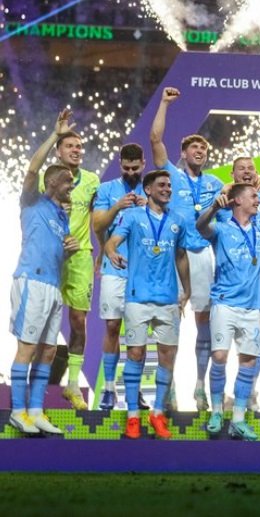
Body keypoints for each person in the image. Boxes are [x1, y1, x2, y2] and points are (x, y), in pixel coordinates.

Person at [197, 183, 260, 440]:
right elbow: (200, 227)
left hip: (252, 307)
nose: (258, 200)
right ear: (237, 201)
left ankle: (239, 418)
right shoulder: (222, 229)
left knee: (249, 362)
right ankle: (217, 411)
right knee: (219, 356)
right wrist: (213, 208)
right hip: (224, 303)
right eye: (253, 196)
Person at [150, 86, 224, 412]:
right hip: (175, 256)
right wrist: (164, 103)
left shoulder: (215, 184)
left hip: (203, 255)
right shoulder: (170, 175)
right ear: (183, 152)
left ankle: (199, 387)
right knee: (171, 320)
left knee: (203, 321)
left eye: (204, 149)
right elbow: (155, 139)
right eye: (194, 147)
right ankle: (168, 388)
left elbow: (242, 197)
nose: (200, 152)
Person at [104, 170, 191, 439]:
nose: (167, 189)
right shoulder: (132, 216)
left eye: (169, 186)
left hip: (167, 299)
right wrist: (112, 253)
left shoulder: (177, 220)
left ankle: (157, 413)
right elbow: (111, 242)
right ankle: (132, 415)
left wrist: (187, 290)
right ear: (148, 190)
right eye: (161, 185)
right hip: (137, 297)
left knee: (167, 355)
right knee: (135, 354)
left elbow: (181, 256)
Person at [8, 109, 79, 435]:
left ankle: (36, 411)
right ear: (52, 182)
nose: (71, 187)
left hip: (53, 286)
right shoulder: (32, 201)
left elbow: (55, 253)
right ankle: (17, 411)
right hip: (31, 281)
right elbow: (33, 168)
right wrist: (55, 135)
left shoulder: (62, 216)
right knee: (28, 346)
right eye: (68, 182)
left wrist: (67, 252)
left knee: (49, 350)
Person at [39, 112, 100, 410]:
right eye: (70, 146)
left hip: (81, 258)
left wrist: (104, 250)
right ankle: (38, 383)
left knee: (78, 321)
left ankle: (73, 384)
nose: (76, 150)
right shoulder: (46, 180)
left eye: (79, 146)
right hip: (52, 258)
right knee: (44, 320)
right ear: (58, 152)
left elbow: (97, 219)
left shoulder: (92, 180)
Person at [92, 143, 148, 410]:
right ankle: (108, 388)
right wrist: (117, 207)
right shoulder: (106, 189)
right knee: (113, 326)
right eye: (126, 168)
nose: (131, 172)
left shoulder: (152, 188)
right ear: (120, 165)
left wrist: (149, 206)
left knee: (138, 331)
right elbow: (97, 225)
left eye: (135, 168)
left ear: (143, 164)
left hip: (144, 272)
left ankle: (135, 390)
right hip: (114, 268)